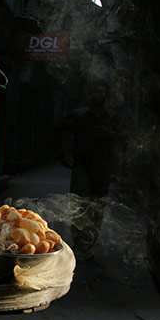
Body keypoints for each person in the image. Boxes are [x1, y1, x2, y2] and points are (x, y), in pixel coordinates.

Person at [56, 79, 119, 261]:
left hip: (102, 167)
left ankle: (89, 244)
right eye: (95, 90)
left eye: (102, 91)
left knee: (97, 207)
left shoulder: (111, 117)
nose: (98, 94)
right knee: (79, 204)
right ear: (90, 93)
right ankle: (80, 244)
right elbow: (60, 130)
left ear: (106, 94)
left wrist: (110, 135)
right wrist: (63, 153)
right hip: (82, 165)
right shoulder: (79, 115)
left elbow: (125, 137)